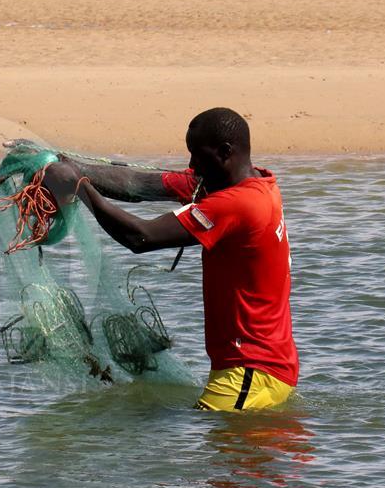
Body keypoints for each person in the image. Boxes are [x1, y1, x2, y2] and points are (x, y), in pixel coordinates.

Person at [21, 107, 299, 411]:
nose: (191, 164)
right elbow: (138, 185)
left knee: (215, 449)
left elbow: (141, 237)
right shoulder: (255, 183)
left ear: (224, 152)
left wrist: (79, 187)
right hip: (261, 371)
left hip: (249, 372)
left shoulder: (237, 204)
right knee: (226, 455)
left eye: (197, 155)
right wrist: (75, 168)